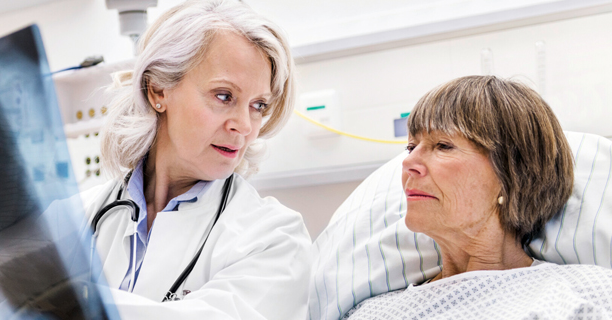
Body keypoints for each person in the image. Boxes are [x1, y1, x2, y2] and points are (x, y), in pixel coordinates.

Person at [81, 0, 311, 318]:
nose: (244, 126)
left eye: (258, 105)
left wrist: (65, 300)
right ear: (158, 90)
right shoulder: (70, 218)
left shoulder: (275, 238)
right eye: (224, 96)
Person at [342, 76, 612, 319]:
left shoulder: (586, 295)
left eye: (443, 145)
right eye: (411, 146)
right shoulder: (372, 312)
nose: (408, 162)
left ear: (511, 174)